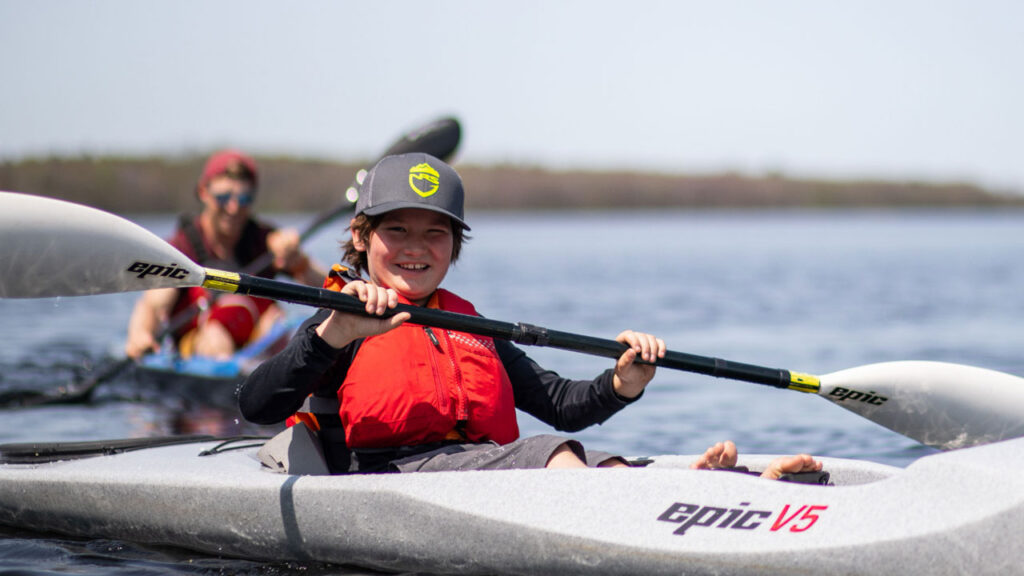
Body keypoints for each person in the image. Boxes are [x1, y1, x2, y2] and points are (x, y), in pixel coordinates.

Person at [238, 153, 821, 479]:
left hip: (481, 471)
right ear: (362, 238)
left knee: (595, 459)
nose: (416, 247)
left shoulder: (466, 325)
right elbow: (256, 406)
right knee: (552, 456)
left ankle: (710, 496)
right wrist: (335, 333)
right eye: (397, 230)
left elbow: (562, 403)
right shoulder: (338, 318)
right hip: (386, 481)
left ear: (454, 247)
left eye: (434, 233)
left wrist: (624, 382)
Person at [125, 149, 327, 360]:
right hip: (203, 345)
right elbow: (153, 304)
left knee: (277, 323)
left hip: (256, 347)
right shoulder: (182, 247)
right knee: (215, 338)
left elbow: (327, 285)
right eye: (223, 197)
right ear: (203, 192)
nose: (233, 208)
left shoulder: (265, 241)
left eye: (244, 198)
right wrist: (141, 335)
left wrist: (298, 261)